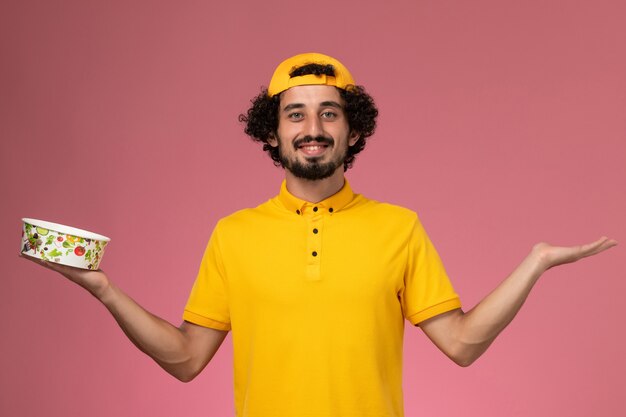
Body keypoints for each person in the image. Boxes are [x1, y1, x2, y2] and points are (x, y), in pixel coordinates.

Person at [23, 52, 617, 417]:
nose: (313, 128)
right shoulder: (234, 235)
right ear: (273, 133)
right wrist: (103, 290)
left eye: (329, 113)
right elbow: (184, 359)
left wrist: (535, 262)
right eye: (296, 114)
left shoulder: (398, 227)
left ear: (353, 132)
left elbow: (462, 345)